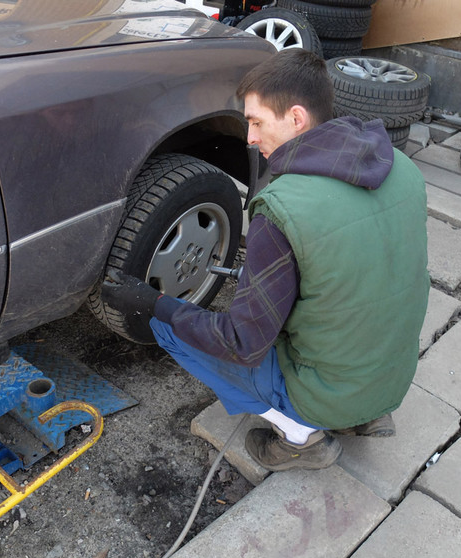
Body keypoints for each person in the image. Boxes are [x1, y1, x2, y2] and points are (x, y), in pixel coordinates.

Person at [102, 49, 429, 472]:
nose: (250, 138)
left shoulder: (282, 208)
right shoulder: (401, 167)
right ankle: (364, 415)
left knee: (169, 327)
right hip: (392, 377)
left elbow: (241, 345)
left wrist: (153, 302)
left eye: (256, 121)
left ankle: (301, 438)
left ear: (296, 118)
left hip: (325, 391)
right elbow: (363, 264)